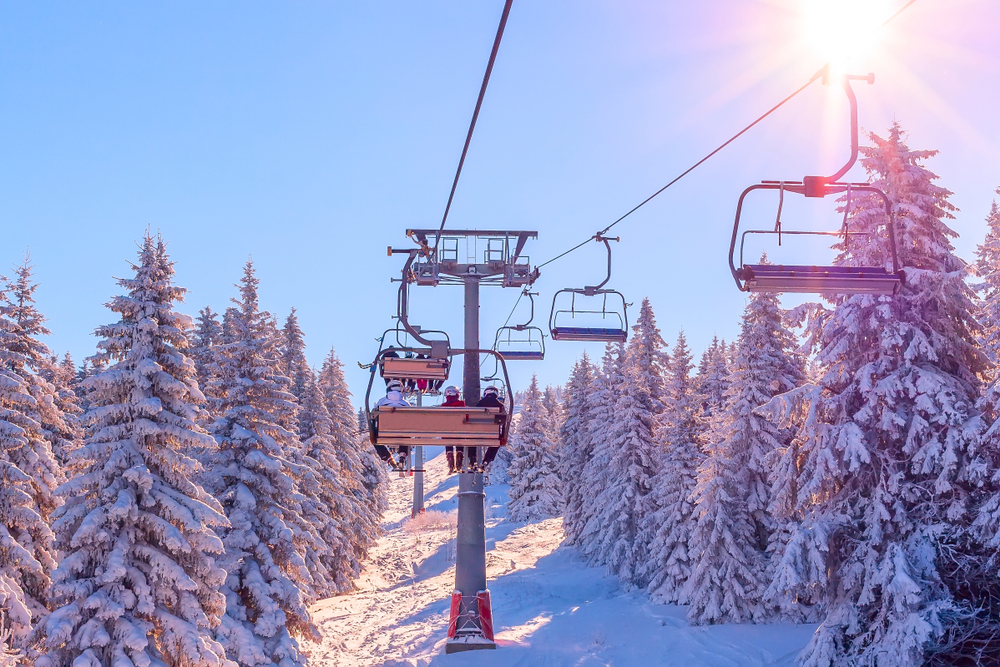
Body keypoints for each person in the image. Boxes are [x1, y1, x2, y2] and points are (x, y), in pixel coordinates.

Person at [375, 379, 410, 469]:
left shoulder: (382, 401)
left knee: (375, 439)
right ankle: (402, 455)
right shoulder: (405, 404)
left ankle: (387, 458)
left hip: (384, 432)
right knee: (405, 434)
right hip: (402, 433)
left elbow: (374, 415)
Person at [477, 385, 506, 467]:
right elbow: (504, 420)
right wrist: (503, 435)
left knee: (471, 441)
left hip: (477, 432)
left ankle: (472, 458)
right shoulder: (500, 405)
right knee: (496, 442)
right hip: (493, 434)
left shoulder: (480, 403)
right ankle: (487, 459)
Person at [440, 385, 465, 473]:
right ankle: (459, 452)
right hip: (460, 431)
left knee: (447, 436)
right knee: (460, 436)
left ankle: (450, 454)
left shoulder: (443, 406)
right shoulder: (462, 404)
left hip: (447, 432)